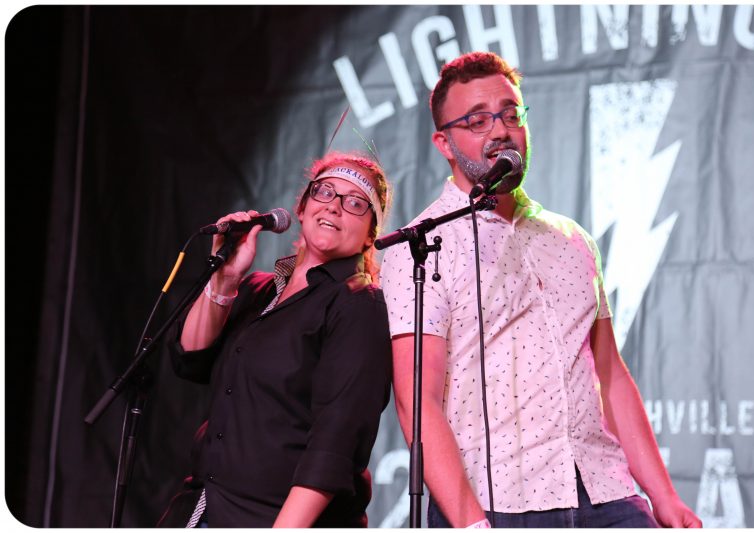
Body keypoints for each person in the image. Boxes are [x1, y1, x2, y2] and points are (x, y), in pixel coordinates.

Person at [380, 52, 702, 528]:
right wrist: (470, 523)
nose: (500, 130)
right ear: (444, 142)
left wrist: (664, 496)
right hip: (497, 503)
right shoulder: (423, 246)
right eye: (478, 120)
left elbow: (610, 375)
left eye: (511, 114)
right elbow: (417, 401)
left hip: (604, 489)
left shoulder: (571, 239)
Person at [159, 151, 393, 527]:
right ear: (301, 208)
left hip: (273, 518)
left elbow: (336, 444)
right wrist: (225, 279)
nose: (334, 206)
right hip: (207, 504)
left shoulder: (358, 305)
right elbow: (190, 357)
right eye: (324, 192)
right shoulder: (258, 289)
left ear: (370, 235)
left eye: (355, 203)